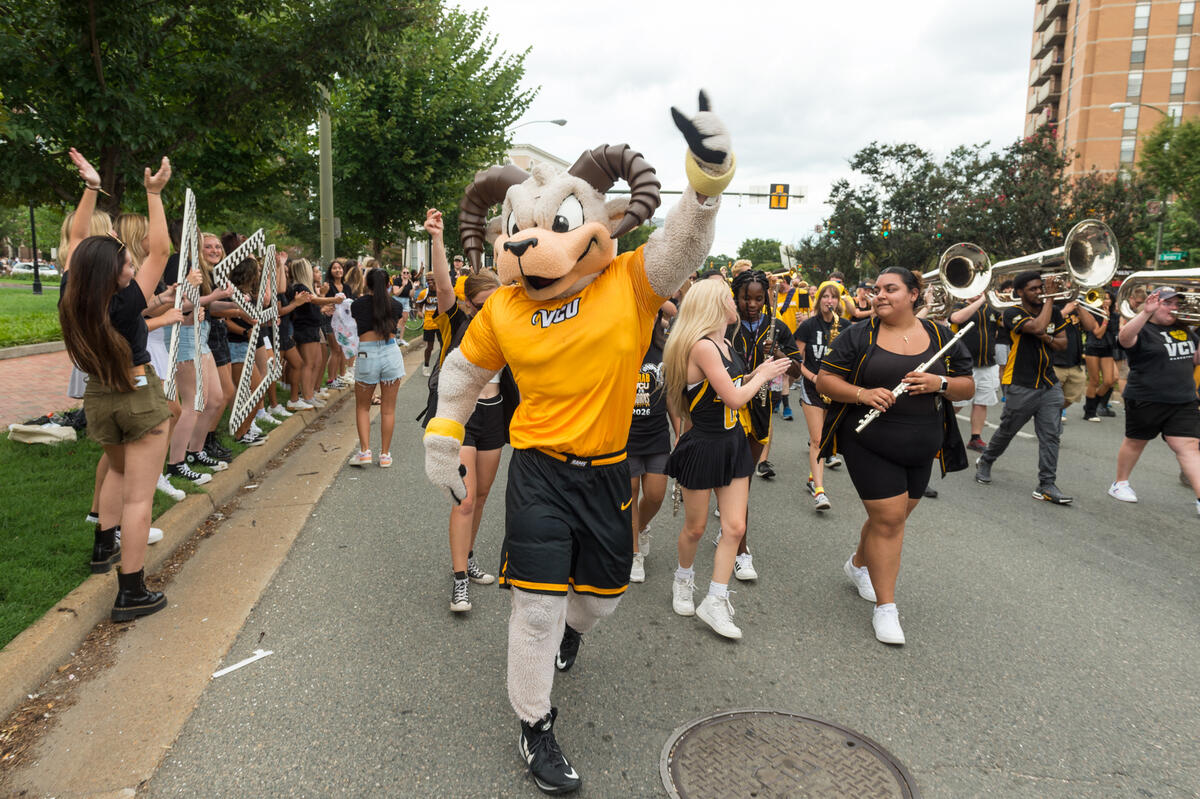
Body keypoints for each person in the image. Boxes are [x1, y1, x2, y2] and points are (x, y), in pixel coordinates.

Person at [814, 267, 973, 645]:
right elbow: (824, 380)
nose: (879, 295)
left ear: (914, 294)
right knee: (888, 520)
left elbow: (966, 387)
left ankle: (858, 565)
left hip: (923, 445)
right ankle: (886, 609)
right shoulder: (858, 334)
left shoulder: (940, 335)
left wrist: (940, 383)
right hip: (869, 442)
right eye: (876, 289)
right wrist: (863, 394)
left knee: (893, 517)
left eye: (890, 289)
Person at [59, 153, 175, 620]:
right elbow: (161, 250)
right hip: (139, 396)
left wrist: (90, 187)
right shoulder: (129, 299)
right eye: (128, 261)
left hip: (99, 398)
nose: (134, 263)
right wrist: (153, 195)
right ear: (119, 271)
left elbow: (77, 238)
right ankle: (131, 591)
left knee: (119, 473)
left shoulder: (73, 295)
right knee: (138, 497)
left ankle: (101, 549)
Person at [665, 278, 789, 640]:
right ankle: (683, 579)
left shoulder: (725, 343)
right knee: (696, 527)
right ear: (718, 304)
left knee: (734, 527)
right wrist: (762, 375)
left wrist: (759, 372)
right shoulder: (702, 346)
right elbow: (735, 399)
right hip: (704, 444)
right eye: (730, 298)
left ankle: (716, 599)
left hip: (732, 442)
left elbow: (732, 385)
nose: (738, 303)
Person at [420, 209, 508, 612]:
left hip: (495, 413)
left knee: (484, 494)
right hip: (459, 418)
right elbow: (441, 284)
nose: (491, 311)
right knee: (465, 500)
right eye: (484, 304)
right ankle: (459, 581)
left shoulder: (507, 323)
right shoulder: (455, 318)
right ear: (470, 304)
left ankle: (468, 558)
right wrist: (437, 239)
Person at [721, 269, 801, 580]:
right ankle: (740, 548)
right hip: (729, 410)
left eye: (758, 298)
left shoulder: (776, 327)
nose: (752, 304)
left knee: (744, 480)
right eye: (746, 298)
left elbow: (795, 371)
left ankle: (734, 537)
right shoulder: (727, 326)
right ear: (735, 296)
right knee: (734, 480)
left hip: (761, 410)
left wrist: (777, 352)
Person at [974, 270, 1073, 505]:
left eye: (1042, 287)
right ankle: (986, 460)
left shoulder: (1055, 312)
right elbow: (1038, 327)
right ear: (1020, 292)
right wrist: (1050, 300)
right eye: (1034, 289)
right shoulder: (1012, 312)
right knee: (1008, 429)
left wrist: (1046, 337)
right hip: (1020, 382)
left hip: (1049, 383)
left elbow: (1062, 344)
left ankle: (1046, 484)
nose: (1039, 292)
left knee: (1051, 435)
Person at [1108, 288, 1200, 513]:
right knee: (1135, 442)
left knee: (1188, 447)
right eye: (1167, 304)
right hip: (1146, 397)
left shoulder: (1183, 329)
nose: (1174, 308)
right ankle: (1120, 483)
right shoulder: (1143, 328)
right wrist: (1144, 314)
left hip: (1183, 399)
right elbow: (1124, 339)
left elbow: (1196, 359)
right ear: (1153, 304)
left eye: (1176, 304)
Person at [627, 309, 675, 583]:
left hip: (657, 434)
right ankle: (633, 551)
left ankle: (641, 527)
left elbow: (669, 396)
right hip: (626, 435)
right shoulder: (620, 346)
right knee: (630, 491)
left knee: (656, 494)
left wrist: (680, 433)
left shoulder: (664, 349)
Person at [348, 268, 406, 467]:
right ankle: (385, 455)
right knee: (388, 410)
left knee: (362, 407)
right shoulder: (396, 305)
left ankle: (364, 451)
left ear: (367, 284)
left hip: (367, 353)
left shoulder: (357, 305)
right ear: (389, 284)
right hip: (391, 353)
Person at [794, 281, 843, 510]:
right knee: (817, 439)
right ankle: (820, 492)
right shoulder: (808, 326)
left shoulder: (845, 327)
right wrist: (813, 378)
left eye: (834, 297)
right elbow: (797, 359)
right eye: (825, 296)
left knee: (826, 439)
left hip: (834, 390)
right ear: (819, 299)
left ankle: (813, 477)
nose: (829, 301)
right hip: (812, 387)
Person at [948, 292, 1001, 452]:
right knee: (957, 403)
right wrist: (983, 299)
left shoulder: (991, 308)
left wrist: (998, 301)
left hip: (987, 363)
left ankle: (975, 438)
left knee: (981, 401)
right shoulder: (960, 306)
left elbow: (1006, 322)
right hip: (963, 364)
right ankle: (942, 429)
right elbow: (956, 319)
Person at [1051, 297, 1098, 423]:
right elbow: (1044, 325)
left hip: (1074, 363)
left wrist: (1080, 307)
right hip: (1055, 361)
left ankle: (1049, 412)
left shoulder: (1074, 307)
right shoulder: (1049, 305)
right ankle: (1050, 418)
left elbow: (1090, 326)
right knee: (1051, 398)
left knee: (1071, 397)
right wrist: (1066, 311)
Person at [1082, 291, 1118, 421]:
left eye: (1109, 299)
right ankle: (1090, 413)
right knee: (1095, 380)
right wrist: (1105, 318)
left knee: (1109, 381)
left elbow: (1114, 332)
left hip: (1107, 349)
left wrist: (1109, 317)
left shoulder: (1115, 315)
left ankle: (1091, 405)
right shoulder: (1093, 314)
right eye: (1104, 299)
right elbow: (1098, 334)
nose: (1106, 301)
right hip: (1093, 348)